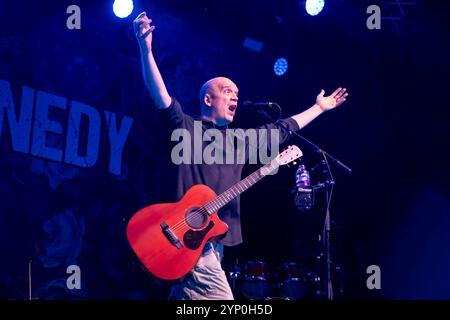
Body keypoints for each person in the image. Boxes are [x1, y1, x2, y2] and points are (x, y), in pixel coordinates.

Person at [133, 11, 348, 300]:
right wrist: (146, 50)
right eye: (227, 91)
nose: (235, 96)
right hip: (185, 240)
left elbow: (284, 128)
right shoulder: (185, 127)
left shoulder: (240, 141)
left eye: (237, 93)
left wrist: (319, 108)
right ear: (208, 99)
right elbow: (160, 95)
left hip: (208, 244)